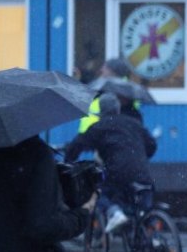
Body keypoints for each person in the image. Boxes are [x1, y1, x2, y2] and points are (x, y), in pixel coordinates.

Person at [64, 93, 156, 234]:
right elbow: (152, 145)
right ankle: (152, 238)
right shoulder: (134, 123)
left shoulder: (99, 127)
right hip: (142, 173)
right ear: (117, 108)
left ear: (101, 110)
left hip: (117, 172)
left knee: (97, 193)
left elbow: (76, 146)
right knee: (142, 211)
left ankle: (114, 213)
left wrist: (68, 162)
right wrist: (139, 158)